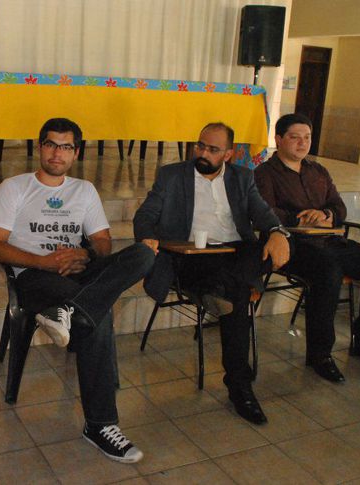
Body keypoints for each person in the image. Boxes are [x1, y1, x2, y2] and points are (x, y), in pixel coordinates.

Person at [0, 118, 155, 463]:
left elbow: (103, 243)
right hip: (34, 275)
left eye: (65, 147)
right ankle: (100, 425)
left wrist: (84, 255)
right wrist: (44, 262)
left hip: (79, 272)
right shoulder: (14, 187)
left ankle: (72, 311)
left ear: (76, 153)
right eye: (51, 144)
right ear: (40, 147)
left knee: (143, 254)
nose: (56, 153)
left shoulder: (84, 190)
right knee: (98, 315)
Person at [133, 122, 290, 425]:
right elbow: (146, 214)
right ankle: (240, 387)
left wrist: (276, 232)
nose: (203, 153)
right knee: (238, 293)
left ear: (228, 154)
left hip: (236, 254)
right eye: (200, 146)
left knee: (274, 247)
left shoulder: (242, 178)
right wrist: (147, 236)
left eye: (213, 149)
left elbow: (264, 215)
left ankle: (217, 291)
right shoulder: (172, 175)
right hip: (193, 255)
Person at [255, 113, 360, 383]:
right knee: (328, 271)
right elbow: (262, 211)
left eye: (307, 137)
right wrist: (298, 218)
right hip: (292, 244)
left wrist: (326, 215)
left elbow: (339, 207)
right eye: (295, 137)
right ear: (279, 139)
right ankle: (320, 354)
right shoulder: (265, 173)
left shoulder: (317, 171)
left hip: (329, 240)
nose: (302, 143)